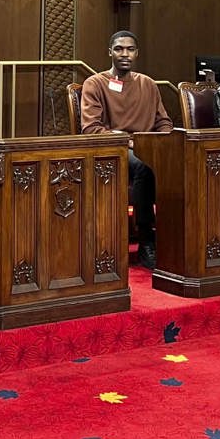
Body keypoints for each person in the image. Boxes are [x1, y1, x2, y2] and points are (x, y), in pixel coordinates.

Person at [80, 31, 173, 270]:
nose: (124, 54)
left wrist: (161, 144)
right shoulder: (95, 83)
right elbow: (91, 129)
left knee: (176, 161)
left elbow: (164, 122)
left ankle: (178, 238)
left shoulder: (148, 84)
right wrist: (129, 142)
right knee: (144, 165)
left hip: (147, 148)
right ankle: (146, 239)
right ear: (109, 51)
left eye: (130, 49)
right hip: (114, 152)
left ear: (137, 53)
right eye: (119, 49)